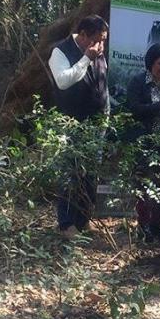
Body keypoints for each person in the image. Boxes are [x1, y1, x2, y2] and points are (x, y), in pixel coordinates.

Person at [48, 14, 110, 238]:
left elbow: (103, 84)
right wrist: (85, 59)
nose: (100, 44)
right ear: (83, 35)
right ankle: (66, 224)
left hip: (97, 123)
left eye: (104, 39)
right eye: (96, 39)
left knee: (90, 174)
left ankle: (84, 220)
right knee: (70, 173)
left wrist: (107, 113)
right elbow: (63, 81)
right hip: (72, 122)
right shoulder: (60, 52)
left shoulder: (99, 52)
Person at [126, 43, 160, 243]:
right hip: (144, 141)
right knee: (144, 184)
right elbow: (134, 109)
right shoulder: (138, 82)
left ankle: (157, 227)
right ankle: (143, 227)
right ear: (150, 63)